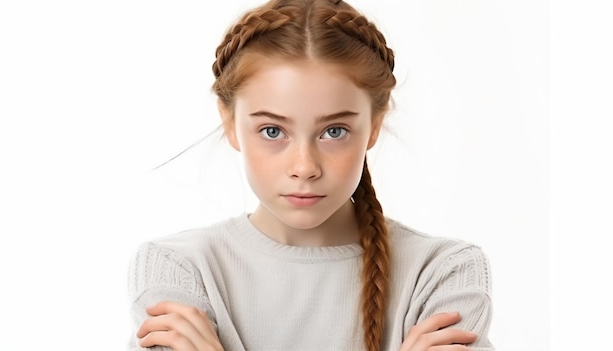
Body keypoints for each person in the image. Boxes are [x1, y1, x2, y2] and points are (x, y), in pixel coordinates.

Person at [126, 0, 494, 350]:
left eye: (334, 131)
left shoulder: (442, 272)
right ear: (231, 124)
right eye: (273, 131)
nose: (304, 167)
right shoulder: (178, 268)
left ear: (374, 126)